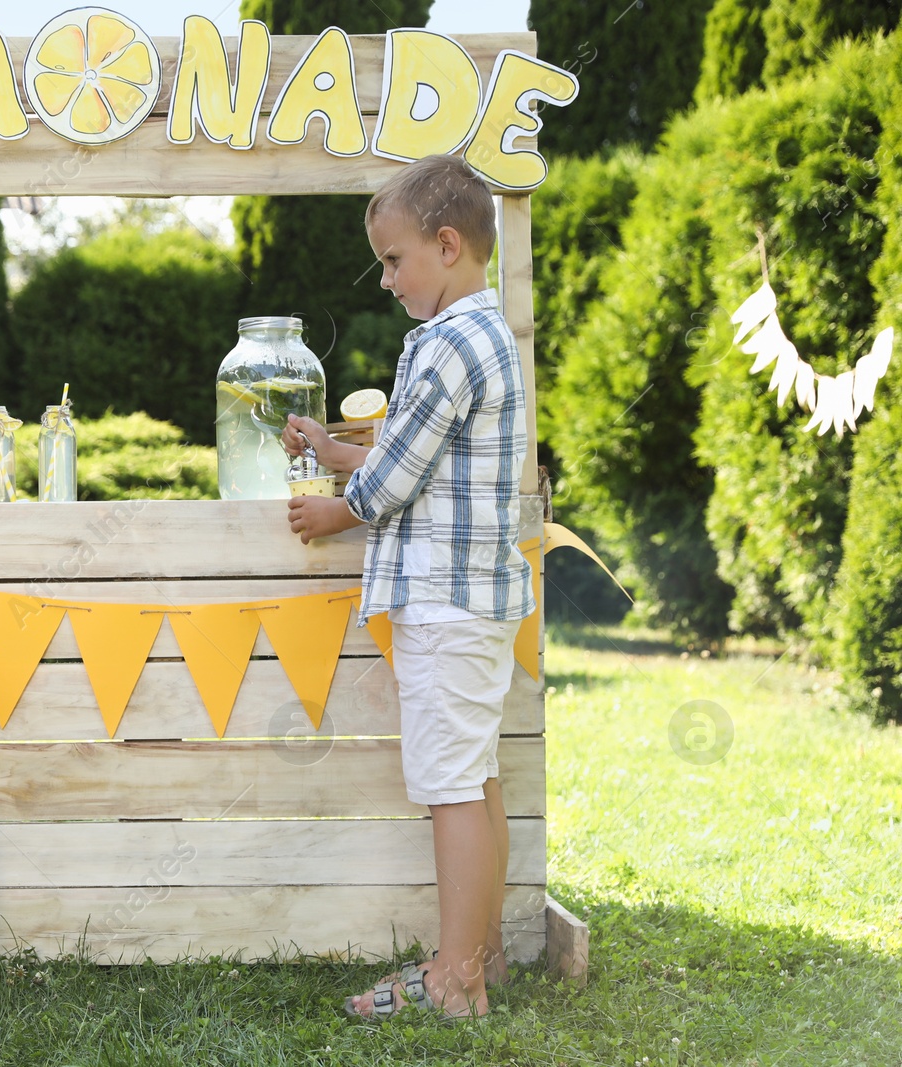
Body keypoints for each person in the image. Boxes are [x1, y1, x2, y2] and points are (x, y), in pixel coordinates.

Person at [281, 154, 535, 1021]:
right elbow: (415, 462)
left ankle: (454, 978)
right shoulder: (481, 334)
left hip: (443, 600)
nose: (385, 279)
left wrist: (333, 511)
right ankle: (483, 954)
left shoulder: (449, 343)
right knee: (476, 777)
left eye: (394, 260)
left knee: (451, 786)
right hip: (473, 600)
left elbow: (389, 486)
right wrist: (333, 447)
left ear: (449, 244)